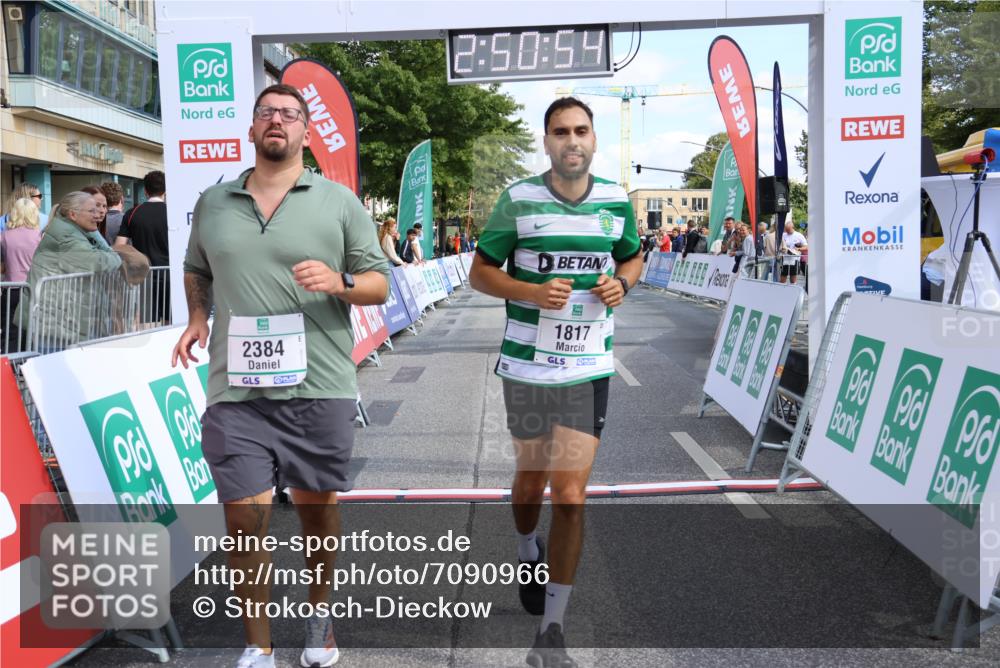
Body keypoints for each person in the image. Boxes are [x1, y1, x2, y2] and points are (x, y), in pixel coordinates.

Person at [172, 83, 389, 668]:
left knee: (318, 513)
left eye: (290, 114)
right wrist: (197, 317)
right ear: (251, 129)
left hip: (319, 384)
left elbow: (378, 283)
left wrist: (340, 282)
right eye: (267, 112)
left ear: (306, 134)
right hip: (236, 390)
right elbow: (196, 268)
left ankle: (320, 621)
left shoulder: (339, 202)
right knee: (244, 519)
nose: (278, 121)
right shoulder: (214, 202)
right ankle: (258, 645)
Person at [469, 97, 642, 668]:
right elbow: (480, 273)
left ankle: (552, 632)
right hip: (527, 368)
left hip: (587, 368)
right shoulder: (518, 199)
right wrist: (531, 292)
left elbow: (632, 258)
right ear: (547, 142)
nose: (572, 140)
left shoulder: (616, 200)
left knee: (569, 496)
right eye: (561, 131)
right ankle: (527, 548)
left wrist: (622, 283)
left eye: (581, 130)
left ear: (594, 140)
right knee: (531, 483)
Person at [16, 192, 121, 350]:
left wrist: (93, 232)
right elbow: (104, 262)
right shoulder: (66, 236)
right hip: (54, 326)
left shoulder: (71, 231)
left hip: (59, 321)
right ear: (73, 214)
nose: (98, 214)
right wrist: (96, 235)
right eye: (91, 210)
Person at [116, 171, 170, 322]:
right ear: (165, 191)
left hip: (144, 275)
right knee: (170, 322)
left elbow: (119, 246)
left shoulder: (132, 213)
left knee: (147, 323)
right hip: (170, 275)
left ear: (145, 191)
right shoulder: (172, 212)